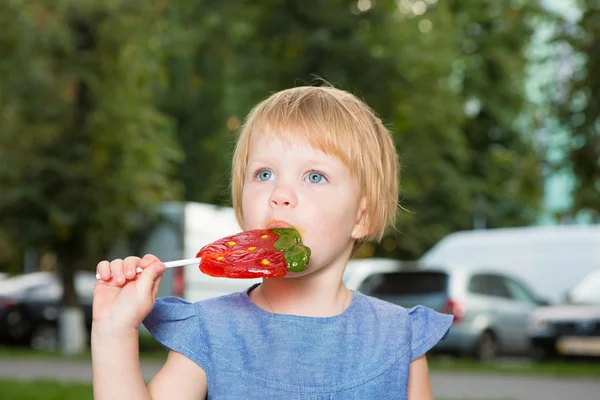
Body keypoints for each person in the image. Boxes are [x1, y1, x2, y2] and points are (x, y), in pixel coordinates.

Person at [92, 85, 453, 400]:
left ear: (361, 217)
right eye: (264, 173)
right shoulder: (210, 333)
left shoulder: (397, 339)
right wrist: (113, 330)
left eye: (314, 176)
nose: (280, 194)